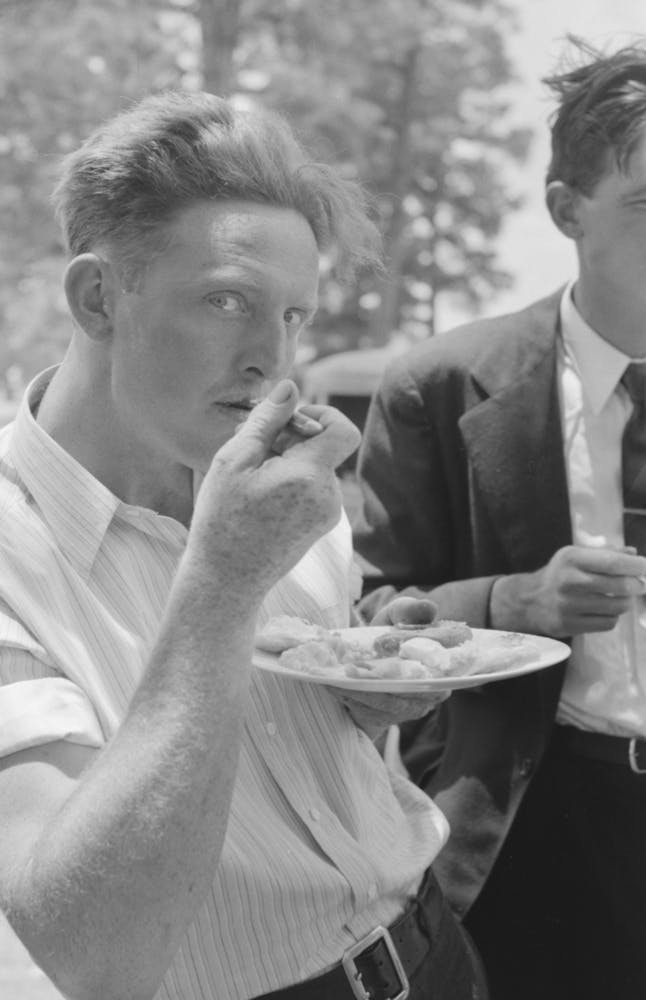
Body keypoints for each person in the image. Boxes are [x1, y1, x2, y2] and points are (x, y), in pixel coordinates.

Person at [0, 92, 488, 1000]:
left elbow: (281, 735)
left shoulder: (277, 478)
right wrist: (222, 584)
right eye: (228, 301)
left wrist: (363, 694)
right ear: (98, 296)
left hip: (436, 953)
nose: (273, 357)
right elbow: (99, 954)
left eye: (295, 315)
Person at [355, 39, 646, 1000]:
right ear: (567, 210)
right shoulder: (436, 388)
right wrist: (514, 600)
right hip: (537, 832)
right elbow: (372, 621)